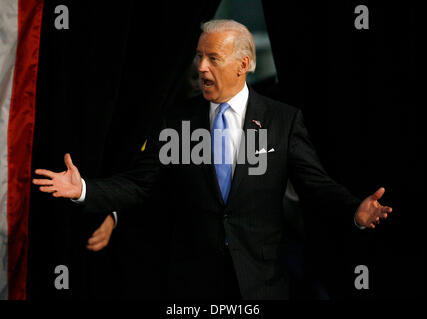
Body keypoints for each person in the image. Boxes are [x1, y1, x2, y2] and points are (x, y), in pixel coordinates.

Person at [33, 19, 392, 299]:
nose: (202, 67)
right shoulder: (176, 120)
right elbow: (140, 185)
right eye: (199, 56)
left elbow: (315, 185)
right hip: (190, 284)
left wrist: (353, 210)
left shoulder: (282, 120)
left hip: (260, 283)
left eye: (213, 59)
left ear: (244, 64)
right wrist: (83, 189)